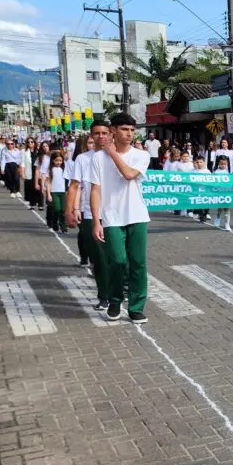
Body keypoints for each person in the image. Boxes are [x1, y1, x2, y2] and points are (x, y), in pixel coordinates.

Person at [90, 113, 151, 323]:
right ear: (114, 130)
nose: (130, 134)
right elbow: (95, 190)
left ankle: (136, 307)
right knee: (117, 260)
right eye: (125, 129)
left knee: (138, 263)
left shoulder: (141, 155)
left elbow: (128, 174)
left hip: (137, 215)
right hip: (111, 216)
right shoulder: (97, 158)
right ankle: (115, 300)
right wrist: (96, 221)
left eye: (133, 130)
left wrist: (112, 153)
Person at [67, 123, 111, 308]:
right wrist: (71, 210)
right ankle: (104, 295)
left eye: (104, 133)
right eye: (96, 134)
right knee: (99, 258)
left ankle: (119, 287)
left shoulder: (118, 156)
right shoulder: (83, 159)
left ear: (111, 134)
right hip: (90, 214)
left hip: (115, 214)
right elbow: (76, 186)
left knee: (118, 257)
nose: (101, 137)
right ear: (91, 137)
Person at [45, 151, 67, 233]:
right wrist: (48, 194)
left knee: (63, 209)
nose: (58, 162)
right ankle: (54, 222)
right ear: (53, 160)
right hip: (54, 192)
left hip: (62, 192)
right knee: (57, 209)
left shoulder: (63, 169)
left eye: (60, 161)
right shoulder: (50, 170)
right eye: (56, 160)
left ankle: (63, 225)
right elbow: (48, 183)